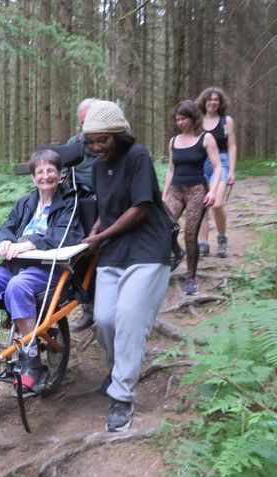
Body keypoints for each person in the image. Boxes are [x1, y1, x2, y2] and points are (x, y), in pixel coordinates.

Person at [80, 100, 171, 432]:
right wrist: (93, 235)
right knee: (104, 319)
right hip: (114, 249)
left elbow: (140, 207)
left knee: (129, 317)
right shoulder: (96, 168)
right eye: (90, 141)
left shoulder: (138, 157)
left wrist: (101, 235)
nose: (96, 147)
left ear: (118, 134)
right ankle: (120, 368)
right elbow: (109, 207)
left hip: (148, 246)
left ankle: (122, 395)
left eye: (101, 140)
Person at [0, 148, 84, 396]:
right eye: (40, 172)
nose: (45, 176)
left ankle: (32, 362)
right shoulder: (25, 203)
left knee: (17, 287)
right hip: (15, 265)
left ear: (60, 175)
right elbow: (4, 228)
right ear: (33, 177)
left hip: (47, 268)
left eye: (51, 170)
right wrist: (4, 242)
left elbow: (66, 235)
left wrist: (31, 242)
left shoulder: (70, 203)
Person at [163, 100, 222, 296]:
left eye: (183, 118)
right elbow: (171, 169)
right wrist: (165, 193)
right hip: (176, 190)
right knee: (164, 226)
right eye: (177, 119)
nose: (180, 122)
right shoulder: (173, 141)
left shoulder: (205, 138)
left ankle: (190, 277)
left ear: (192, 118)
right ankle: (178, 253)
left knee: (190, 233)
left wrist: (212, 191)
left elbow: (218, 167)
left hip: (197, 189)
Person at [66, 98, 98, 331]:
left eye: (92, 121)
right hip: (82, 205)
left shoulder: (110, 143)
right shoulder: (74, 143)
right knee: (82, 255)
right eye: (84, 122)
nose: (87, 127)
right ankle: (88, 308)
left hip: (110, 205)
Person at [195, 87, 237, 257]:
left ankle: (221, 238)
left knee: (217, 204)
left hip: (222, 163)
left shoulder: (226, 121)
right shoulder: (197, 121)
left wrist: (232, 170)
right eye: (209, 99)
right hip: (200, 162)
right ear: (204, 102)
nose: (212, 102)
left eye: (216, 100)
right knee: (202, 205)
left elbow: (232, 145)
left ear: (220, 103)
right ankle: (203, 242)